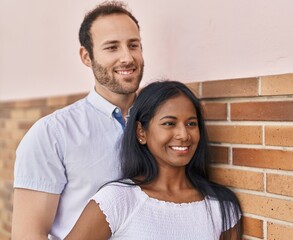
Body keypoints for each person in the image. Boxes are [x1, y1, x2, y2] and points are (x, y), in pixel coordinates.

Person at [11, 1, 144, 239]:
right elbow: (28, 234)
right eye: (112, 47)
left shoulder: (161, 123)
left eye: (133, 45)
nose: (127, 57)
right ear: (87, 56)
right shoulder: (52, 134)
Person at [64, 80, 242, 240]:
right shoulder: (117, 200)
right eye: (169, 123)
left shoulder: (222, 205)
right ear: (141, 132)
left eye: (191, 124)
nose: (184, 134)